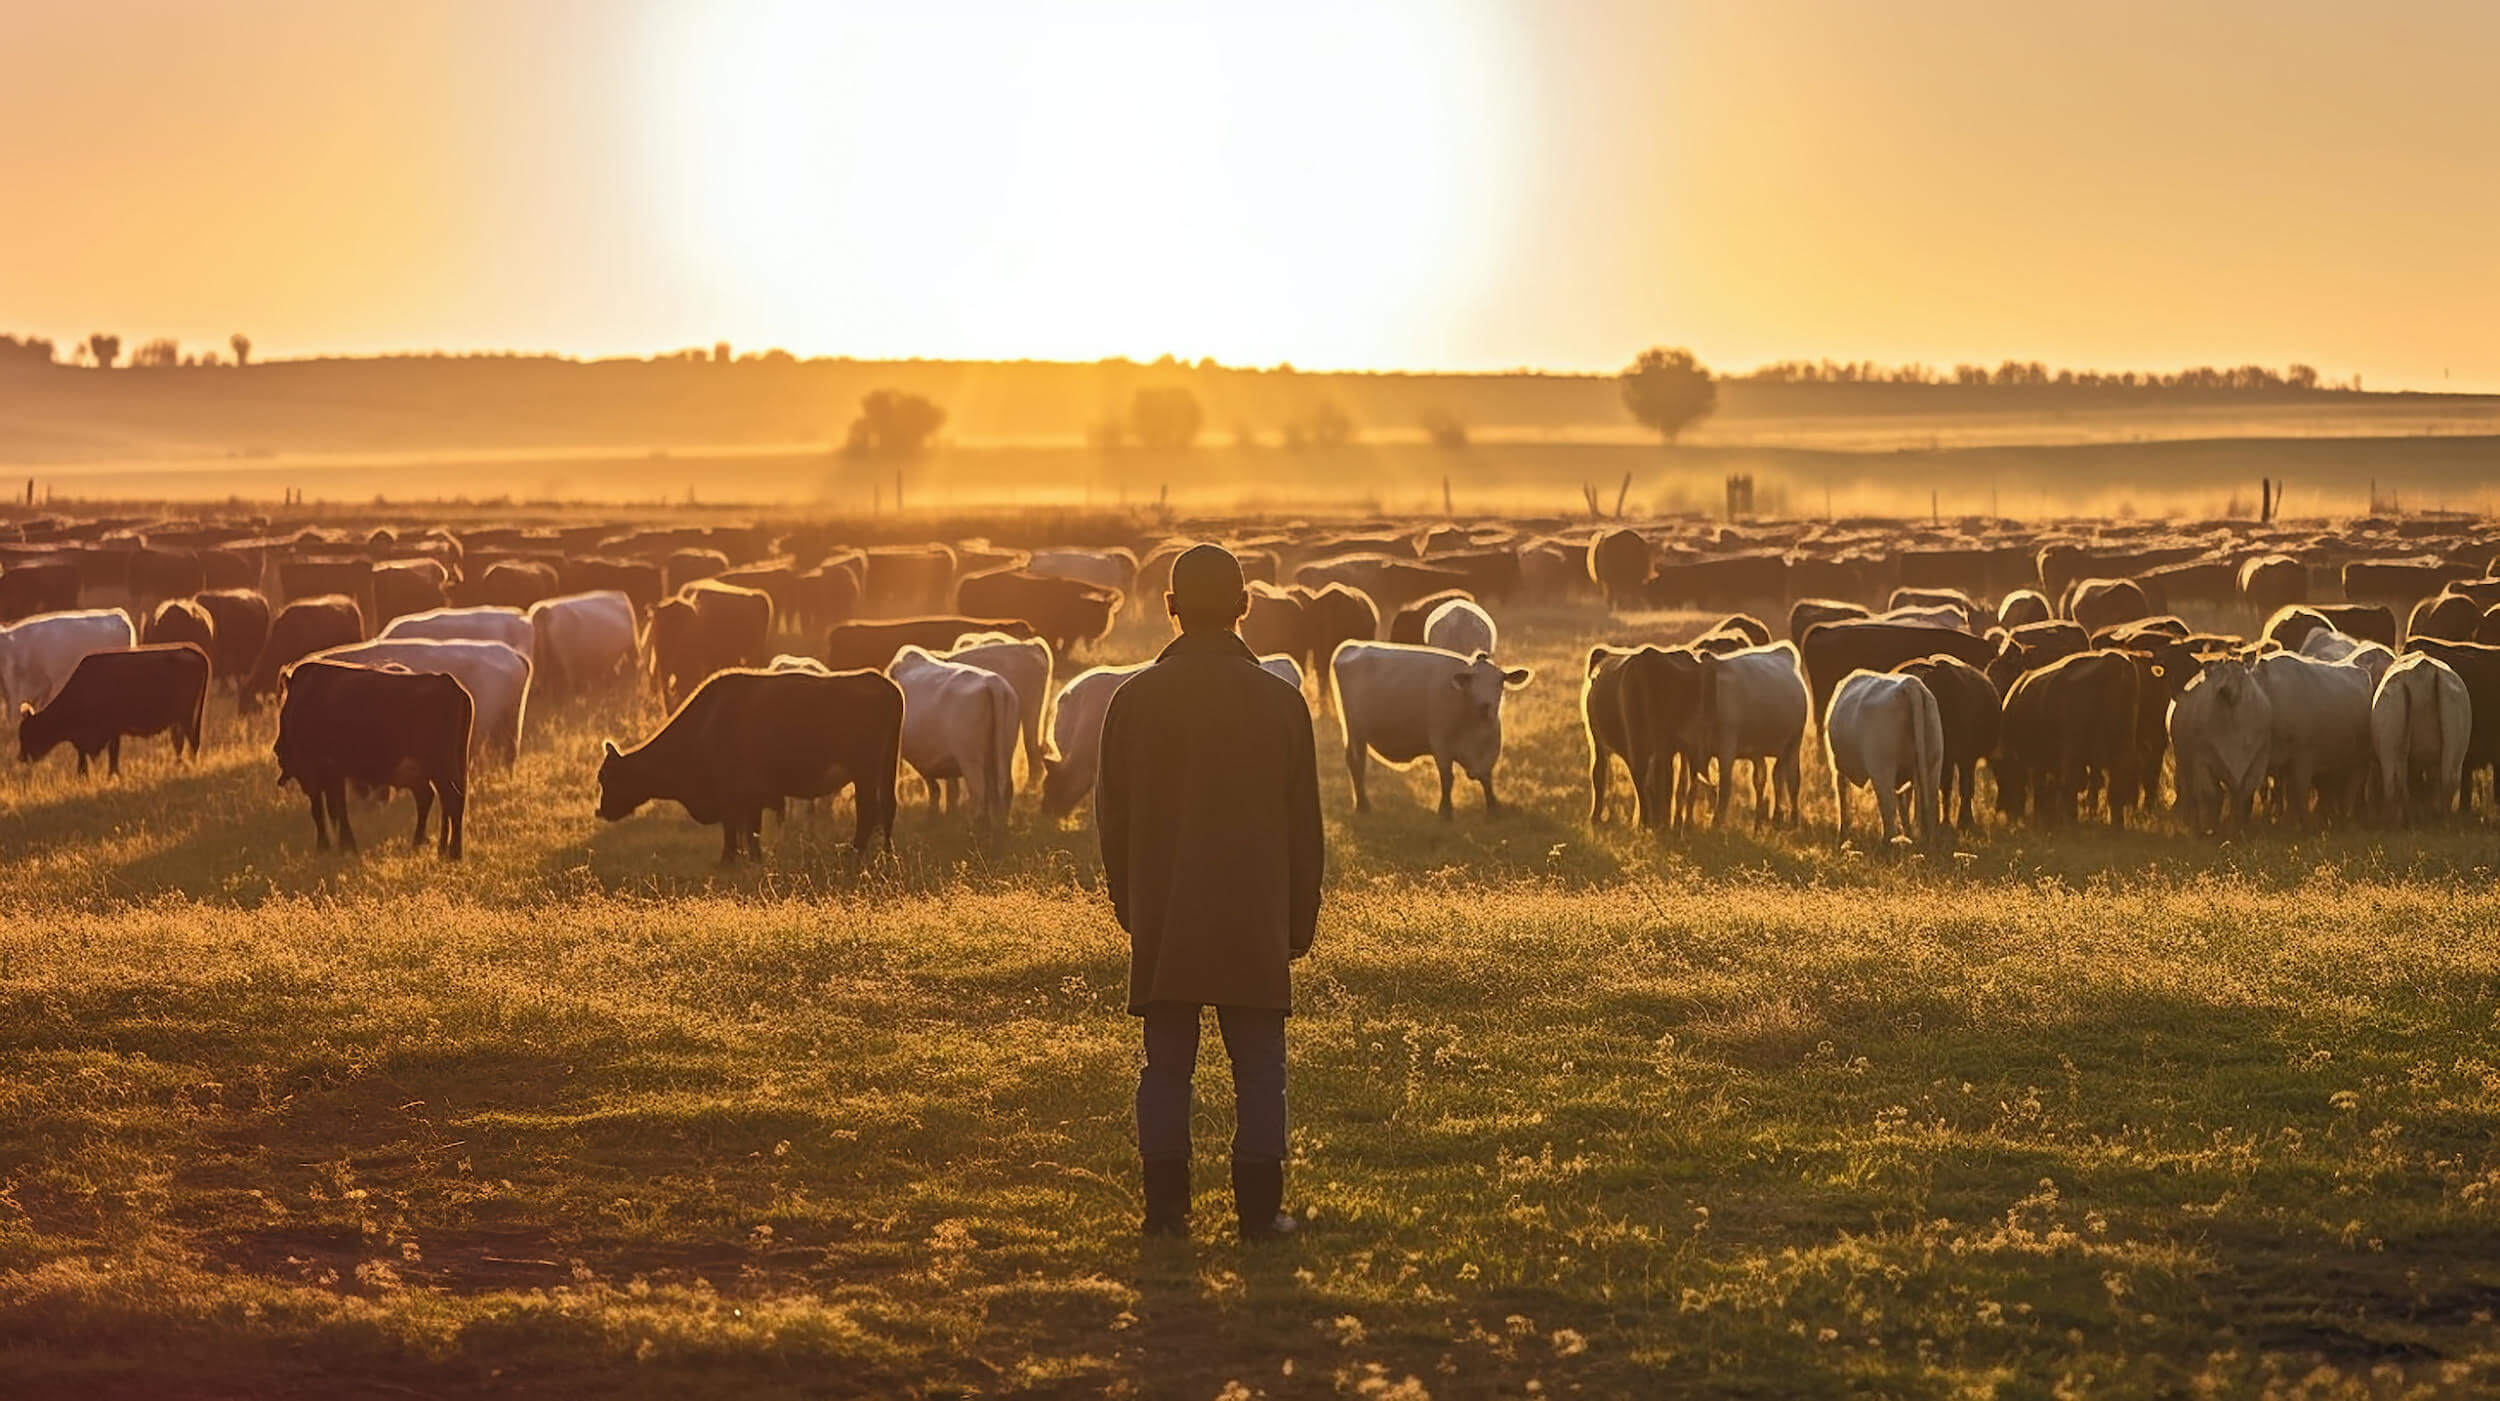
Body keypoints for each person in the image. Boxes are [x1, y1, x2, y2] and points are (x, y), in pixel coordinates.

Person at [1097, 543, 1325, 1242]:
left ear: (1168, 608)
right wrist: (1297, 920)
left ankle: (1165, 1212)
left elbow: (1115, 821)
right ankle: (1261, 1213)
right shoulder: (1283, 703)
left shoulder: (1130, 701)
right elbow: (1303, 828)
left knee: (1165, 1065)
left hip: (1166, 912)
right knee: (1261, 1065)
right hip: (1254, 915)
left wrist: (1133, 908)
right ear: (1244, 606)